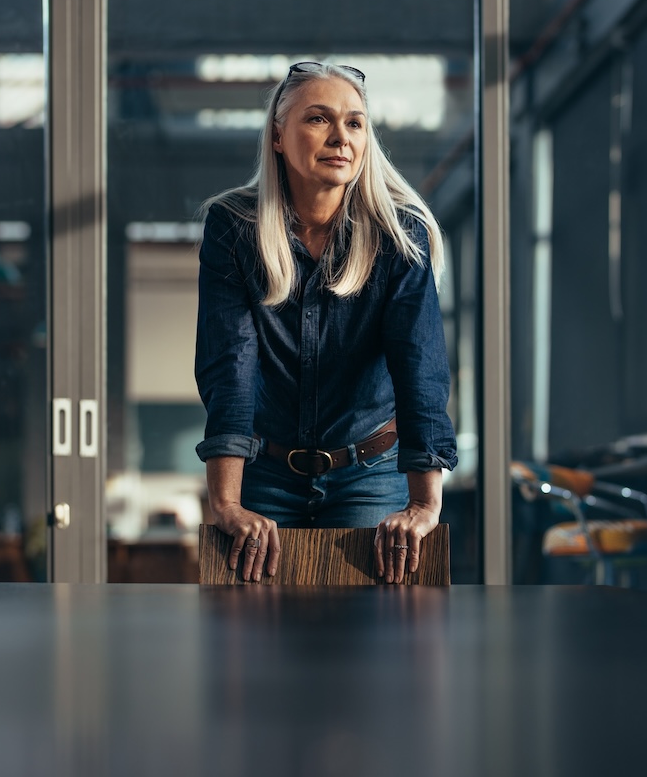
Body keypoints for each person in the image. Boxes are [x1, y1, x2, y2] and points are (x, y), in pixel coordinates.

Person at [195, 61, 457, 584]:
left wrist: (424, 504)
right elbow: (231, 365)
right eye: (319, 119)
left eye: (356, 123)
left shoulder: (400, 237)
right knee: (250, 651)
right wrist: (226, 501)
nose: (341, 137)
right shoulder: (233, 228)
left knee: (371, 653)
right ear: (277, 135)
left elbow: (419, 367)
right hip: (265, 475)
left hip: (370, 476)